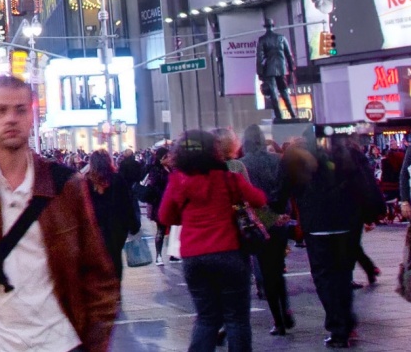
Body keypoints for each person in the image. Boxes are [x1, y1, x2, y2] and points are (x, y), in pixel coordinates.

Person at [0, 75, 119, 352]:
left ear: (32, 115)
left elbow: (99, 276)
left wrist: (94, 343)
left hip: (62, 343)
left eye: (20, 109)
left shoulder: (66, 185)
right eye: (1, 110)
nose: (11, 118)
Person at [159, 130, 271, 352]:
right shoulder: (229, 178)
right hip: (229, 253)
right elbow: (259, 199)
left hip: (194, 257)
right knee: (236, 318)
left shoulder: (177, 181)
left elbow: (165, 217)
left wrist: (187, 214)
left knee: (207, 318)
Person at [294, 137, 379, 348]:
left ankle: (338, 326)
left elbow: (290, 187)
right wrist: (371, 213)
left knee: (324, 277)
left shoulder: (304, 155)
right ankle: (346, 322)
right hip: (347, 223)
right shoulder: (352, 155)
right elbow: (367, 186)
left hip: (317, 225)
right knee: (343, 274)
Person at [237, 127, 297, 336]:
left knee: (265, 271)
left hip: (259, 221)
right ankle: (286, 308)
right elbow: (286, 188)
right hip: (280, 218)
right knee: (278, 268)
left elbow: (243, 198)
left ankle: (278, 320)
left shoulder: (243, 164)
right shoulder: (277, 160)